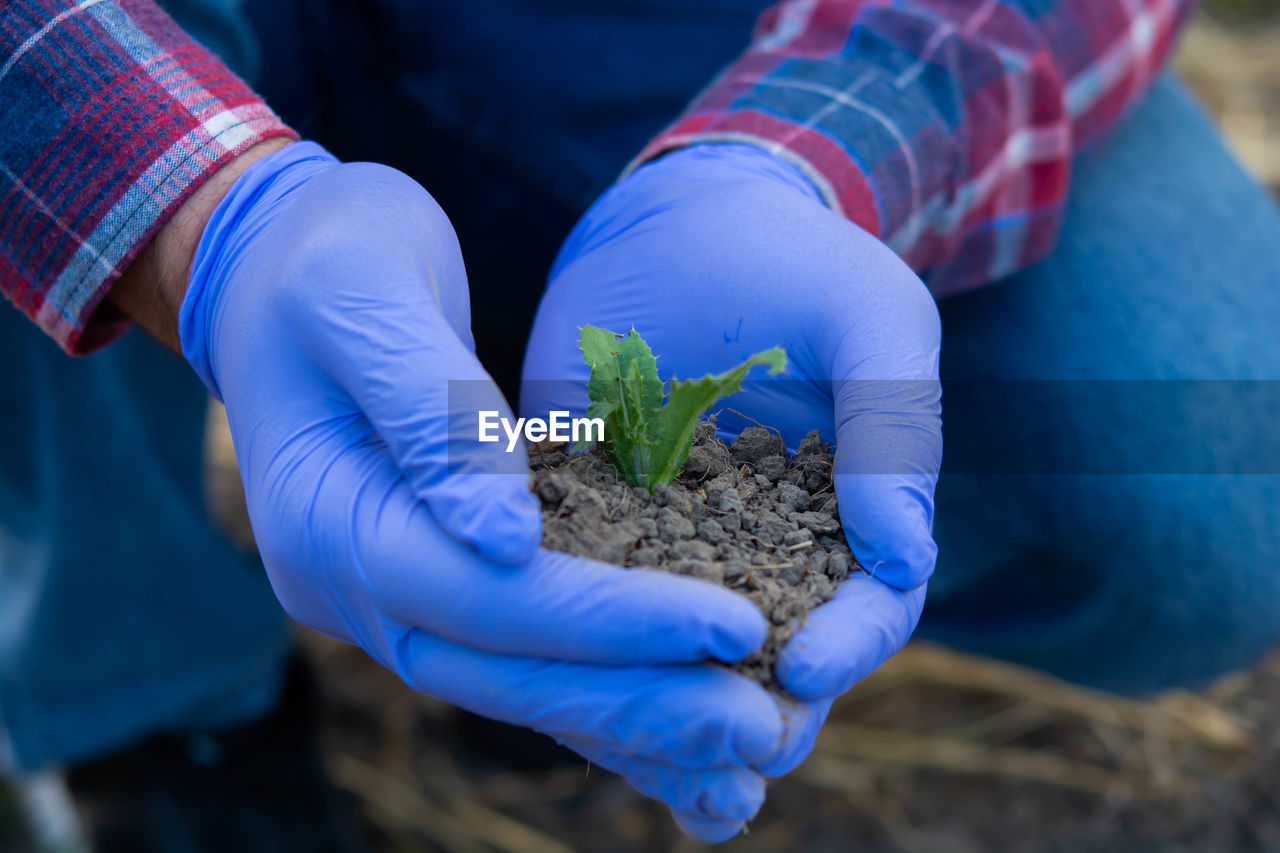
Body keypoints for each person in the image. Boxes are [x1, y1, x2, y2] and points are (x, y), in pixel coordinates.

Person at [2, 0, 1278, 848]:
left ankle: (511, 550)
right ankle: (146, 696)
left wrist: (796, 154)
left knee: (1221, 455)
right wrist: (189, 213)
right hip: (132, 37)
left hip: (675, 35)